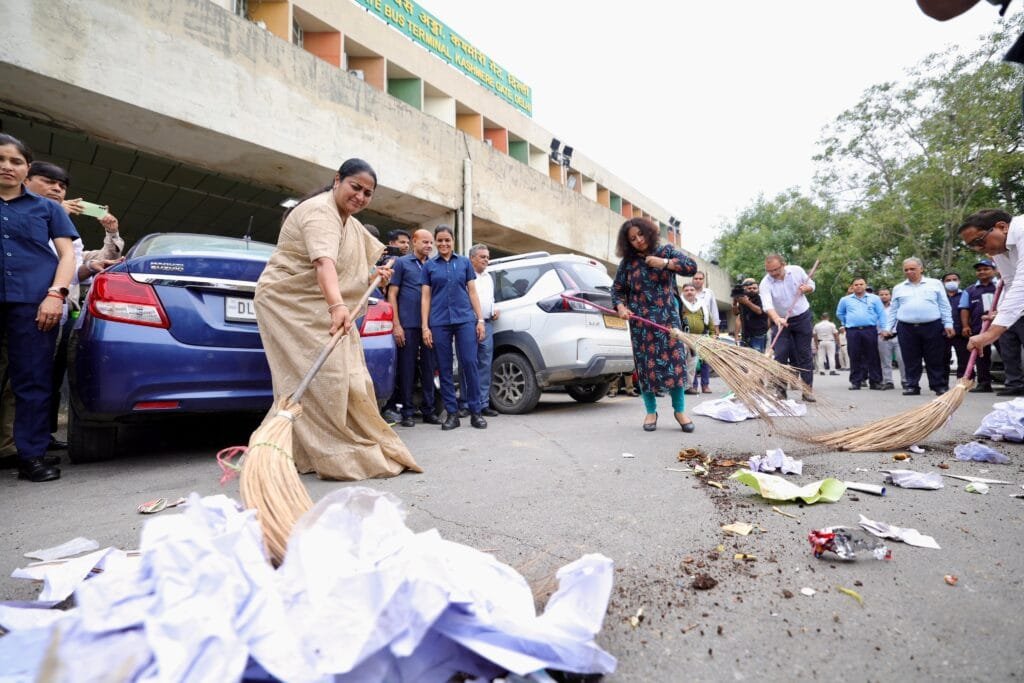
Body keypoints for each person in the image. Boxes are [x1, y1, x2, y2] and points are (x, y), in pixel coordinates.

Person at [254, 158, 421, 481]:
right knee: (324, 377)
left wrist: (376, 274)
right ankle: (324, 450)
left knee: (349, 373)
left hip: (319, 302)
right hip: (288, 303)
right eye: (355, 187)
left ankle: (301, 451)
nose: (360, 197)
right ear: (337, 180)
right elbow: (324, 264)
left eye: (367, 193)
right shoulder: (320, 213)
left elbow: (354, 268)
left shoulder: (349, 222)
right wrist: (336, 306)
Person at [23, 161, 124, 451]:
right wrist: (54, 214)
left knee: (48, 377)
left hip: (61, 310)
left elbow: (77, 266)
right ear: (25, 179)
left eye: (62, 186)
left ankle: (39, 437)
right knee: (22, 377)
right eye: (48, 181)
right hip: (27, 305)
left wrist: (110, 236)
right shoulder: (18, 212)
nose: (57, 189)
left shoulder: (66, 231)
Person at [0, 134, 78, 483]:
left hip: (33, 304)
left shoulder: (46, 209)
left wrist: (55, 294)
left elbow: (68, 255)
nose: (7, 166)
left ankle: (30, 456)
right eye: (1, 160)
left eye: (16, 161)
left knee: (32, 381)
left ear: (26, 169)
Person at [611, 217, 698, 432]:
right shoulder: (628, 264)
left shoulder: (666, 251)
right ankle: (651, 411)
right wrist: (621, 308)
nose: (638, 240)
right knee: (645, 366)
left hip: (668, 320)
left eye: (640, 235)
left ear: (648, 233)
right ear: (627, 242)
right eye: (632, 238)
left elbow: (691, 267)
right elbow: (617, 290)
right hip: (641, 323)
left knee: (675, 364)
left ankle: (679, 410)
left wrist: (665, 264)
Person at [422, 225, 487, 431]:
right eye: (439, 240)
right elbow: (426, 297)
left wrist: (480, 320)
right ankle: (452, 413)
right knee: (444, 366)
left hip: (465, 320)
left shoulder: (465, 263)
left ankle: (476, 412)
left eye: (447, 240)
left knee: (469, 362)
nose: (443, 244)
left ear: (453, 241)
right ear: (435, 242)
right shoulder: (429, 266)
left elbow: (473, 292)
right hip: (439, 321)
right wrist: (425, 326)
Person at [960, 210, 1024, 395]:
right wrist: (1001, 312)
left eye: (979, 241)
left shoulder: (1022, 230)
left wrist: (989, 335)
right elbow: (1010, 282)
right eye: (972, 246)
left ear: (1002, 227)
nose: (979, 249)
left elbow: (1022, 283)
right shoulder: (999, 250)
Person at [388, 228, 441, 428]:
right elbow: (392, 294)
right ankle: (407, 411)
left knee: (429, 368)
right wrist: (397, 325)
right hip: (407, 325)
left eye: (431, 243)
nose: (428, 246)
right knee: (407, 369)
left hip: (430, 326)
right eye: (425, 242)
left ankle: (429, 411)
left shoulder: (435, 265)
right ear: (414, 241)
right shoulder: (402, 263)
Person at [883, 257, 954, 396]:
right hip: (906, 327)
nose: (909, 272)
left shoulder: (935, 284)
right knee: (910, 358)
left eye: (912, 269)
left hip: (933, 326)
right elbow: (893, 310)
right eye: (906, 270)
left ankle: (938, 385)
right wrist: (888, 328)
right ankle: (912, 385)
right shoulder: (898, 288)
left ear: (921, 268)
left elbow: (944, 305)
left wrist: (948, 323)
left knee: (934, 357)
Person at [759, 254, 816, 402]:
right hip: (780, 320)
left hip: (802, 317)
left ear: (784, 264)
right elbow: (767, 305)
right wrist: (777, 318)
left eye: (776, 270)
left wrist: (807, 288)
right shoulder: (765, 283)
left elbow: (812, 285)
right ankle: (781, 391)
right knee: (780, 355)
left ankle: (807, 389)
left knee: (805, 354)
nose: (773, 273)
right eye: (769, 271)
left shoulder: (796, 271)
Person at [458, 244, 500, 417]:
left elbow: (490, 298)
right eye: (483, 257)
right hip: (468, 324)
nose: (486, 260)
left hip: (487, 324)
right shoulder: (464, 275)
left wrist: (494, 308)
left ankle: (483, 404)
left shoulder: (489, 277)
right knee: (467, 363)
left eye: (487, 257)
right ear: (472, 258)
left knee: (484, 364)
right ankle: (466, 403)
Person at [836, 277, 887, 390]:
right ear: (852, 287)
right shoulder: (845, 300)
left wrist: (884, 328)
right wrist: (846, 322)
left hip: (870, 329)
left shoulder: (874, 299)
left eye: (861, 284)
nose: (858, 286)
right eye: (856, 284)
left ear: (865, 285)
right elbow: (840, 313)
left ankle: (876, 381)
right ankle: (856, 382)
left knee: (873, 355)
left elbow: (881, 314)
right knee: (854, 355)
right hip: (853, 331)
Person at [965, 258, 999, 392]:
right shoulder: (970, 290)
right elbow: (964, 309)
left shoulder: (1001, 286)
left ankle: (1013, 383)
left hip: (999, 327)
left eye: (986, 269)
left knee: (1008, 354)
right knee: (981, 355)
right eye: (979, 270)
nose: (982, 272)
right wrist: (965, 326)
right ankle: (984, 383)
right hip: (979, 327)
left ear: (994, 270)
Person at [680, 283, 713, 393]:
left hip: (698, 338)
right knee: (681, 363)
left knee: (693, 364)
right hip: (682, 337)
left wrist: (712, 336)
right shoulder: (679, 304)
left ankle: (690, 387)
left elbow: (710, 321)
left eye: (692, 290)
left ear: (695, 292)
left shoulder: (702, 306)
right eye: (686, 290)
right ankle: (679, 387)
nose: (689, 292)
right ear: (683, 292)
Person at [942, 272, 971, 380]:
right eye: (948, 280)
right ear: (943, 283)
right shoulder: (940, 296)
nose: (951, 282)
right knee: (943, 359)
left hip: (961, 333)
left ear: (959, 281)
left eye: (954, 279)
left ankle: (963, 382)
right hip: (943, 333)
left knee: (964, 360)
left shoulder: (966, 294)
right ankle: (942, 384)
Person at [732, 277, 769, 352]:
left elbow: (759, 311)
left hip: (758, 335)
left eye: (754, 288)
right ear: (744, 289)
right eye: (749, 288)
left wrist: (747, 302)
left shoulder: (761, 298)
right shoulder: (743, 299)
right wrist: (735, 302)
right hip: (745, 336)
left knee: (757, 359)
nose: (752, 290)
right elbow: (736, 314)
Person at [876, 288, 902, 390]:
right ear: (878, 296)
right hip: (882, 337)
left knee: (901, 359)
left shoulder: (896, 307)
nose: (884, 296)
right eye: (881, 294)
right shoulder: (875, 308)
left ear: (890, 295)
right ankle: (888, 381)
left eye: (886, 294)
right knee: (885, 361)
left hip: (897, 336)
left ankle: (905, 380)